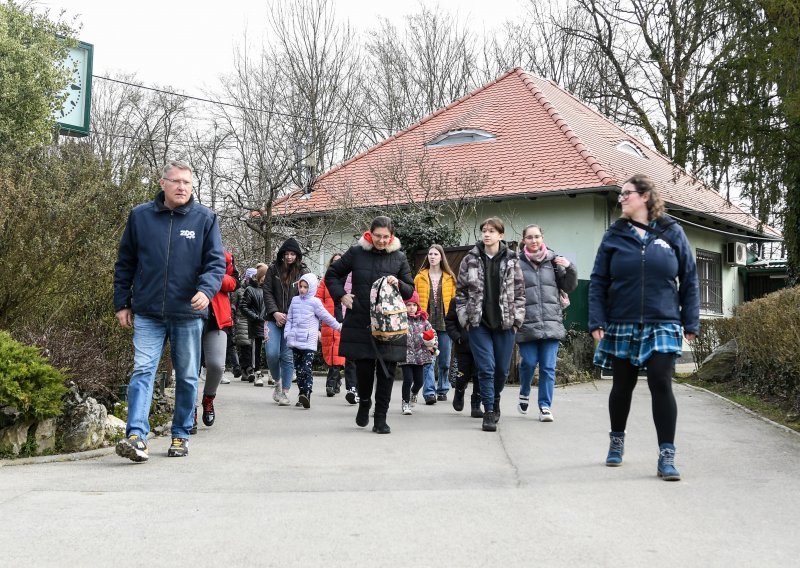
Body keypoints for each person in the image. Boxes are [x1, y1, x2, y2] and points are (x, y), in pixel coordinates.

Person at [589, 174, 699, 481]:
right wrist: (596, 319)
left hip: (662, 320)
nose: (621, 198)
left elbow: (689, 278)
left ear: (645, 196)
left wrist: (690, 320)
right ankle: (616, 441)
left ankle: (667, 455)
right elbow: (598, 280)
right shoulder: (614, 234)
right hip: (621, 320)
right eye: (620, 194)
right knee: (621, 385)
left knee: (661, 383)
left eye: (627, 194)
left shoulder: (672, 232)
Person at [113, 159, 225, 461]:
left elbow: (216, 263)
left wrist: (206, 290)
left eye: (187, 183)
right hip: (148, 311)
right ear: (162, 183)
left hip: (187, 313)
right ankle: (136, 435)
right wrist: (122, 303)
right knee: (143, 371)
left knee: (187, 377)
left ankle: (180, 434)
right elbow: (125, 262)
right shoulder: (140, 217)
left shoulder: (205, 219)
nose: (181, 187)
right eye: (176, 181)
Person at [325, 216, 414, 434]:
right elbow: (332, 274)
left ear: (391, 236)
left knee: (386, 372)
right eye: (377, 236)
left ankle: (381, 418)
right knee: (364, 371)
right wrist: (342, 296)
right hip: (361, 321)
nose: (381, 241)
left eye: (386, 237)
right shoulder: (356, 253)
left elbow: (410, 290)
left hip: (389, 326)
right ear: (370, 234)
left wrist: (399, 283)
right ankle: (364, 402)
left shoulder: (399, 257)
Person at [455, 217, 525, 432]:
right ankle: (489, 411)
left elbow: (520, 293)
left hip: (505, 324)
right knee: (486, 368)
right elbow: (461, 293)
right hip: (479, 324)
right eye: (484, 230)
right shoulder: (470, 259)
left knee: (501, 371)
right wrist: (465, 319)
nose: (487, 234)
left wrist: (517, 321)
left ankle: (494, 399)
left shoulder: (513, 260)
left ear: (500, 235)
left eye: (492, 231)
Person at [516, 224, 578, 422]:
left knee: (548, 367)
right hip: (527, 323)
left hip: (551, 322)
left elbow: (569, 286)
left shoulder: (554, 261)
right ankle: (524, 390)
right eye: (530, 237)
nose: (534, 241)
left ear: (542, 238)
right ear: (524, 240)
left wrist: (570, 268)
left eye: (537, 237)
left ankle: (545, 406)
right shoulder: (516, 263)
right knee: (528, 362)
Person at [284, 273, 341, 409]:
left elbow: (326, 317)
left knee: (306, 368)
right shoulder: (295, 300)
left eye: (305, 287)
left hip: (309, 342)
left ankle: (307, 392)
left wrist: (338, 326)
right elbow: (290, 319)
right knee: (298, 370)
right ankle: (301, 393)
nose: (302, 289)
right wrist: (287, 333)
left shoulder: (315, 302)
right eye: (300, 286)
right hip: (295, 341)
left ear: (311, 288)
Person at [263, 238, 310, 405]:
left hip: (293, 320)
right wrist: (275, 312)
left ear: (297, 256)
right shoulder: (272, 270)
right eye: (287, 254)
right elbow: (267, 292)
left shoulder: (303, 272)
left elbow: (307, 295)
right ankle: (277, 382)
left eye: (293, 254)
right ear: (282, 255)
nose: (289, 257)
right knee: (272, 353)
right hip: (272, 318)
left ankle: (285, 392)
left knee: (287, 356)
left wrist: (291, 315)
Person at [197, 251, 238, 428]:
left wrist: (214, 275)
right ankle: (189, 410)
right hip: (190, 314)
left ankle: (208, 398)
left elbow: (233, 283)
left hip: (217, 317)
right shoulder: (187, 248)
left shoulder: (224, 256)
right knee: (190, 368)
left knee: (217, 365)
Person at [415, 244, 457, 404]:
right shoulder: (420, 277)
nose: (432, 257)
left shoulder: (449, 277)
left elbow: (455, 300)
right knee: (429, 359)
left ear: (441, 257)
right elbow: (414, 300)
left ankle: (443, 388)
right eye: (430, 254)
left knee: (445, 360)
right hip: (427, 324)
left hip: (445, 324)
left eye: (436, 254)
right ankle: (429, 392)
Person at [399, 291, 436, 415]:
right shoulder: (401, 319)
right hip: (405, 355)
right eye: (408, 305)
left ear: (418, 306)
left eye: (414, 305)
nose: (411, 308)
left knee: (419, 381)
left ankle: (414, 393)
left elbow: (432, 334)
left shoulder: (424, 321)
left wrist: (433, 346)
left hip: (420, 355)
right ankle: (405, 403)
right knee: (408, 379)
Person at [445, 297, 482, 418]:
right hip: (463, 346)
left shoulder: (483, 298)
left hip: (481, 346)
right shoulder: (456, 301)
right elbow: (449, 322)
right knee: (462, 374)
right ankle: (459, 391)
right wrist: (457, 337)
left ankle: (476, 404)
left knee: (479, 375)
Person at [316, 253, 346, 397]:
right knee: (330, 353)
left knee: (338, 353)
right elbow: (318, 299)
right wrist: (324, 314)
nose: (337, 263)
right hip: (328, 321)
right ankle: (337, 380)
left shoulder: (348, 280)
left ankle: (330, 383)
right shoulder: (325, 280)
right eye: (334, 261)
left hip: (343, 321)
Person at [241, 263, 268, 387]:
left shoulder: (269, 289)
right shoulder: (250, 289)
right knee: (256, 350)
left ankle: (272, 374)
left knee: (270, 350)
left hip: (268, 323)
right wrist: (255, 317)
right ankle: (257, 372)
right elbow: (243, 307)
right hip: (256, 324)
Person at [230, 267, 256, 380]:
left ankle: (246, 370)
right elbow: (233, 306)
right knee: (245, 346)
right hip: (242, 321)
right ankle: (248, 369)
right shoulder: (239, 291)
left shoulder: (257, 290)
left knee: (251, 347)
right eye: (251, 277)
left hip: (253, 321)